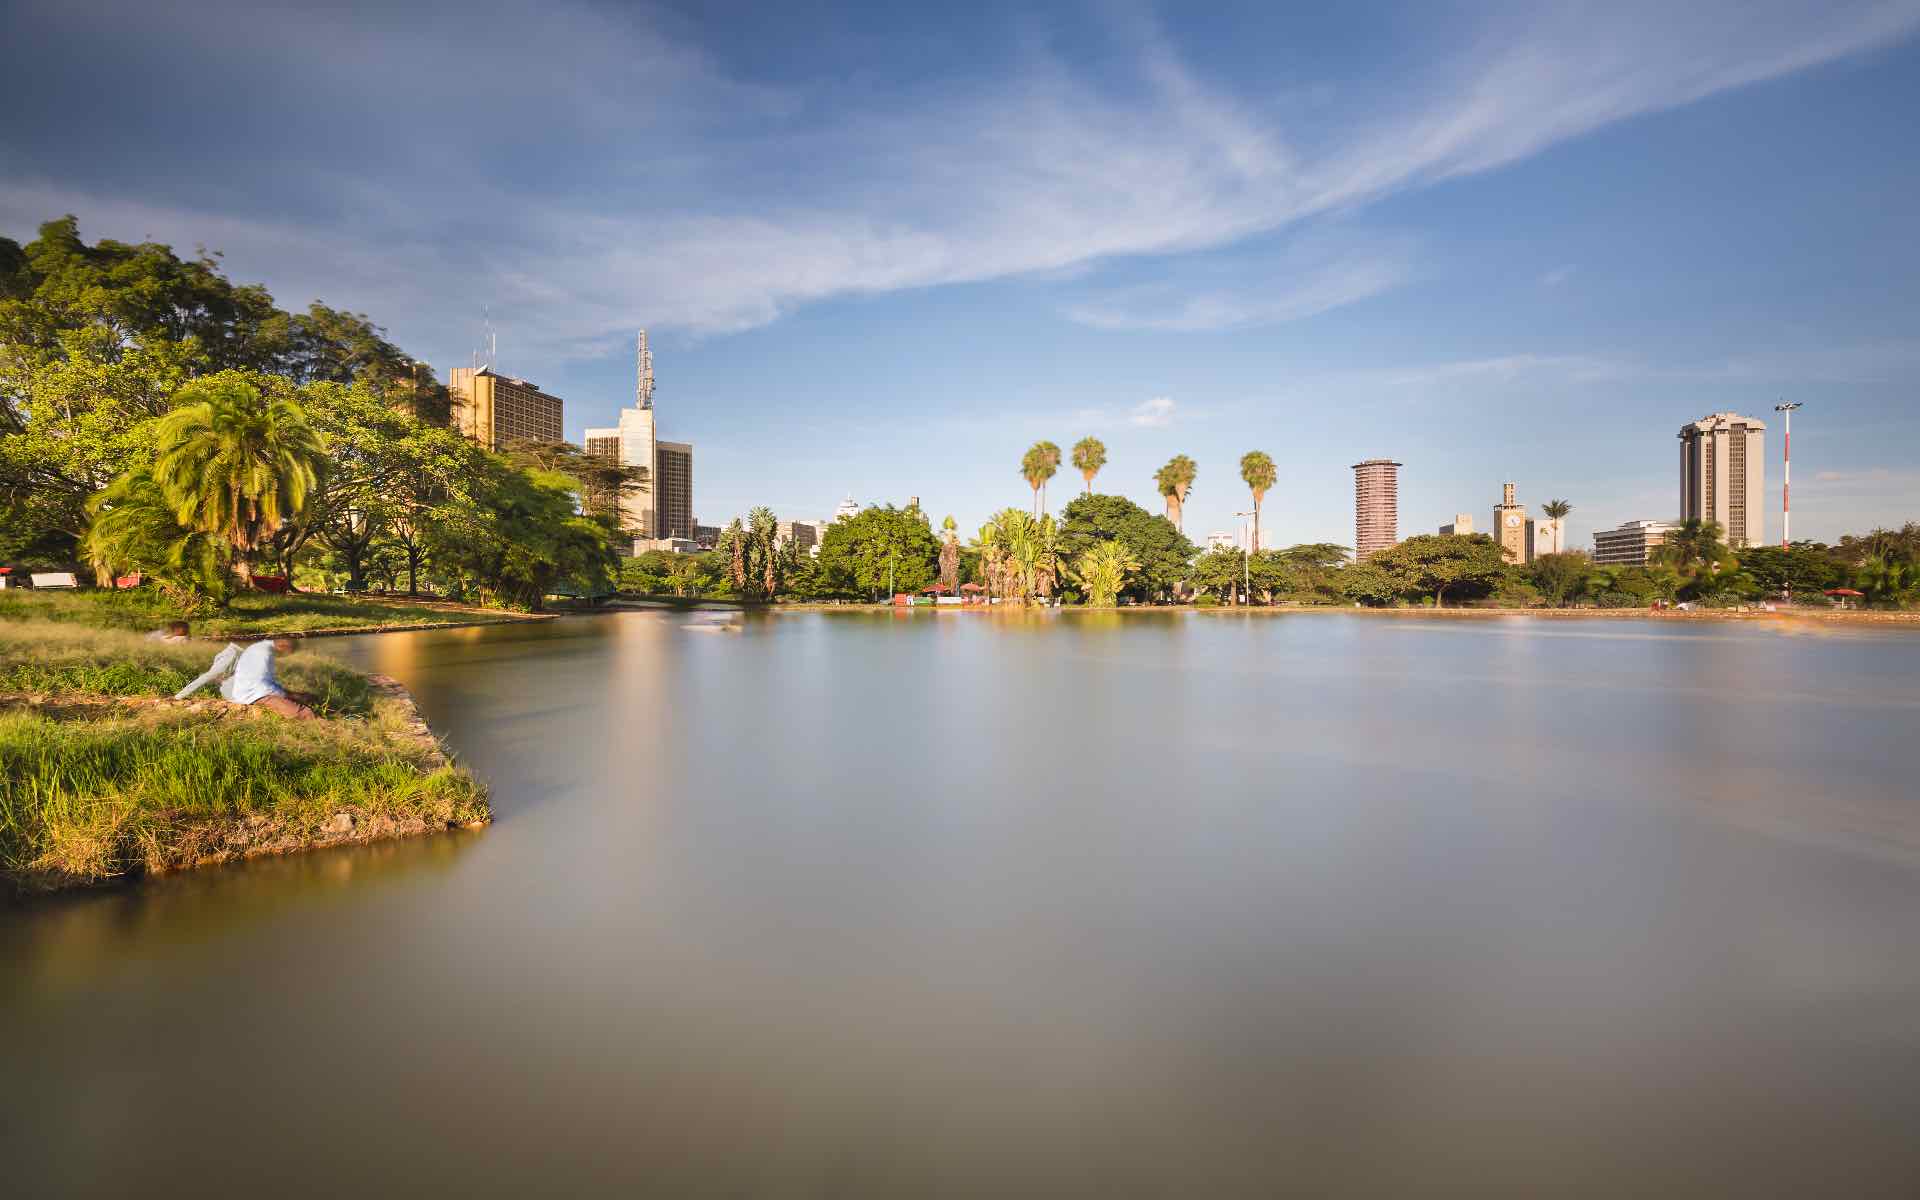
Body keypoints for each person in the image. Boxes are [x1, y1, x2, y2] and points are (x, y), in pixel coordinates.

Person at [174, 636, 318, 719]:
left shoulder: (253, 653)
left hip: (248, 688)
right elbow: (207, 677)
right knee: (282, 700)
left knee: (287, 696)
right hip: (241, 692)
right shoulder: (232, 655)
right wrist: (179, 696)